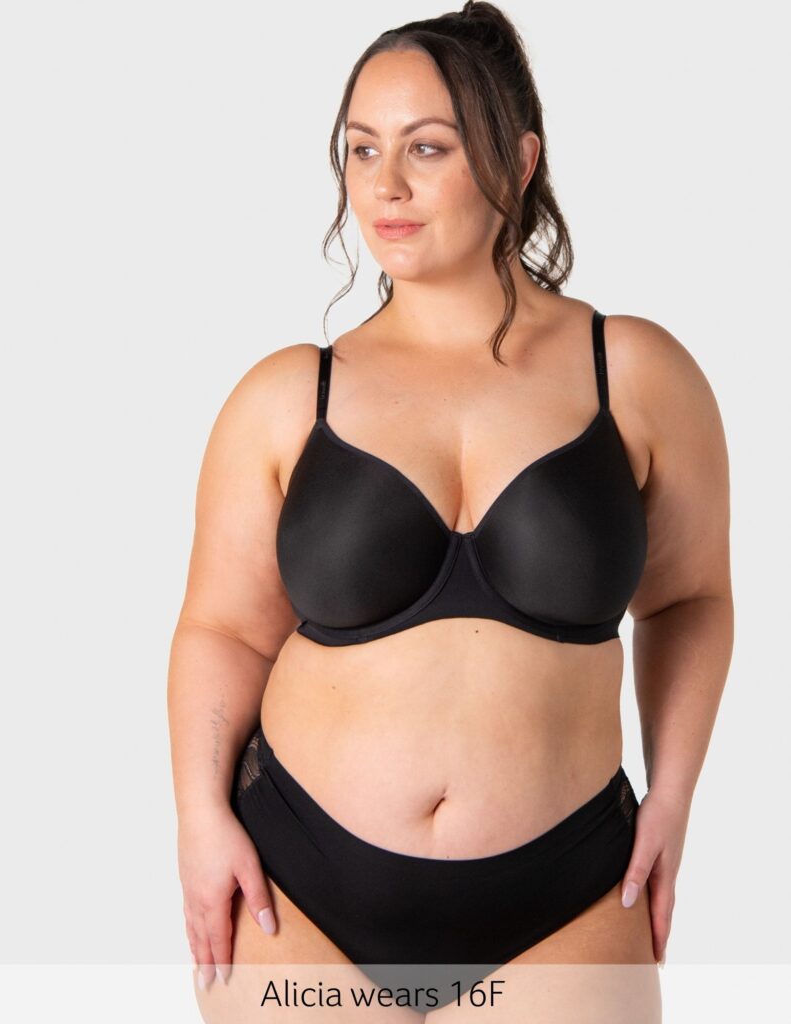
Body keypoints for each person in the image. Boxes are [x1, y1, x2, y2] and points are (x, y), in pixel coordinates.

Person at [167, 2, 733, 1019]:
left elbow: (690, 599)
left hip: (567, 897)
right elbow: (221, 629)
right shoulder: (288, 396)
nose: (385, 184)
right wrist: (198, 818)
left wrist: (676, 797)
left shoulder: (636, 374)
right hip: (300, 889)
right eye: (362, 149)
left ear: (517, 162)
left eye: (426, 148)